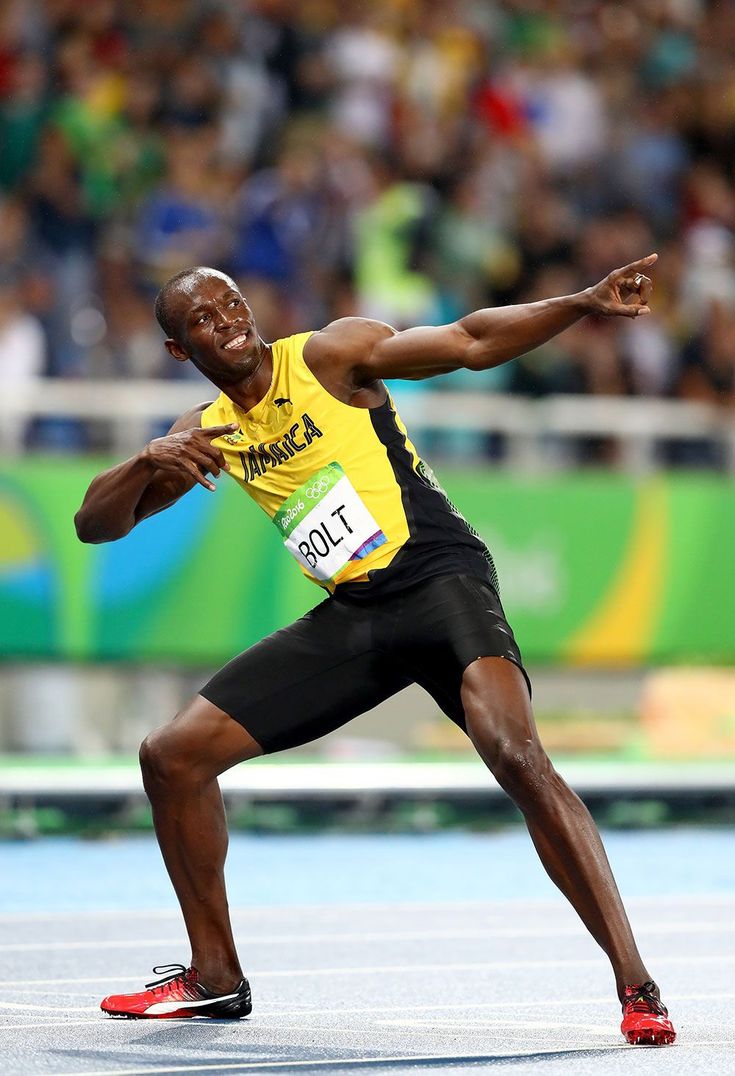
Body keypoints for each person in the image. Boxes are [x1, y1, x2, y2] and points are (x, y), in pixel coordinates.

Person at [75, 255, 676, 1045]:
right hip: (355, 616)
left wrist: (583, 300)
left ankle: (636, 986)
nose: (231, 323)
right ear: (181, 353)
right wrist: (146, 459)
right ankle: (214, 975)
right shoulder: (206, 433)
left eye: (233, 303)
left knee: (515, 756)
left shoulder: (328, 356)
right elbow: (96, 525)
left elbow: (467, 340)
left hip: (440, 581)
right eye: (207, 322)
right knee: (171, 756)